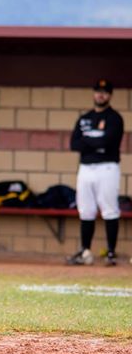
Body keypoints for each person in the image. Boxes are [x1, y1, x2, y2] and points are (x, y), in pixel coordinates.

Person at [67, 79, 124, 266]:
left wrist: (89, 141)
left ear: (110, 95)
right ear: (93, 93)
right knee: (86, 210)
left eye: (105, 92)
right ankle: (85, 251)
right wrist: (95, 142)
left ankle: (111, 253)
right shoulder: (84, 118)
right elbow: (74, 144)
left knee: (109, 209)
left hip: (107, 168)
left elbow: (107, 143)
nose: (101, 95)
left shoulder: (114, 118)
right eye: (98, 91)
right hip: (85, 168)